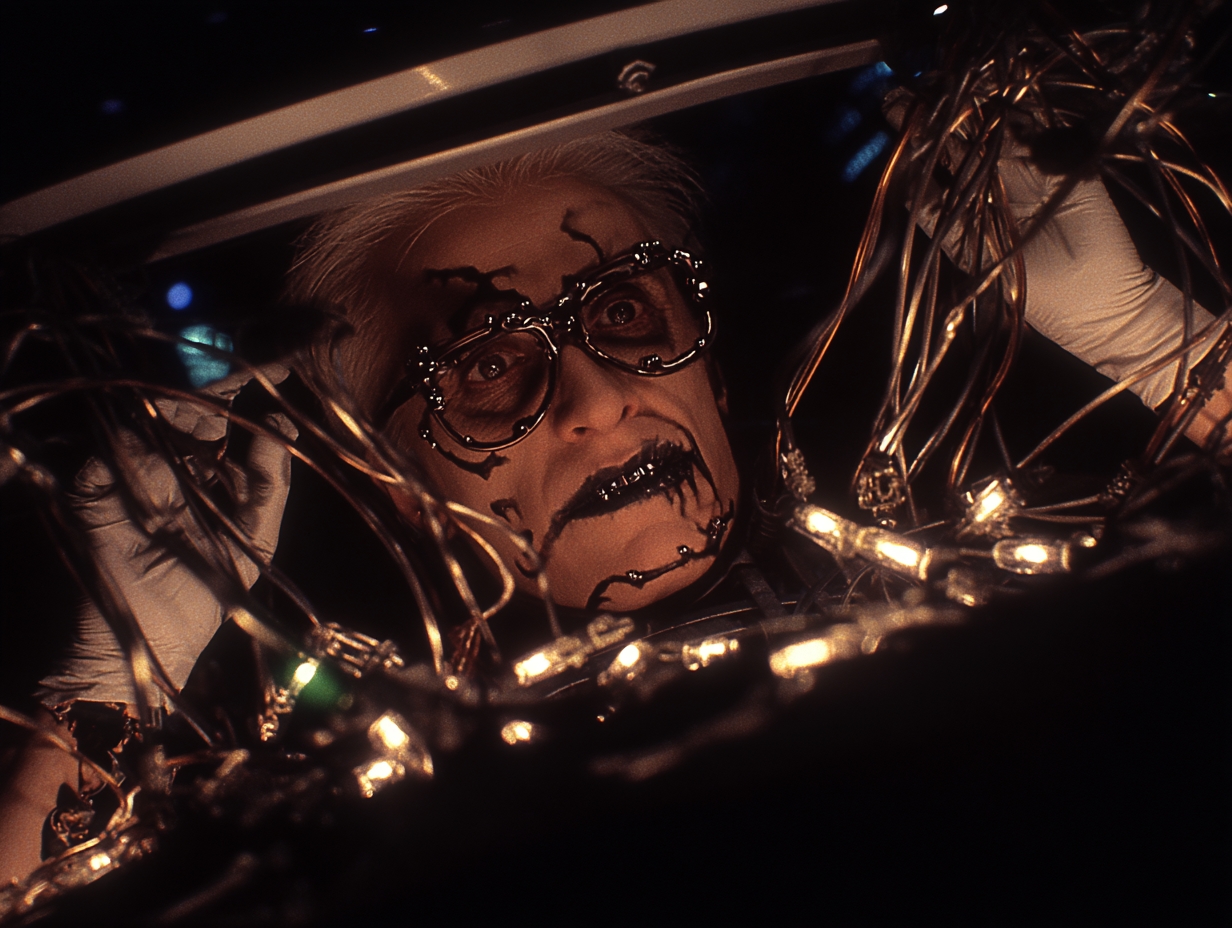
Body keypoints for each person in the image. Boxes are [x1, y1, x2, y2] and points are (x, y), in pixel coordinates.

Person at [2, 111, 1228, 893]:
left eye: (625, 311)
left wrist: (1159, 344)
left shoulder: (1022, 569)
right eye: (485, 365)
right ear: (393, 473)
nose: (595, 398)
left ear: (710, 359)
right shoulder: (338, 802)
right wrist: (100, 695)